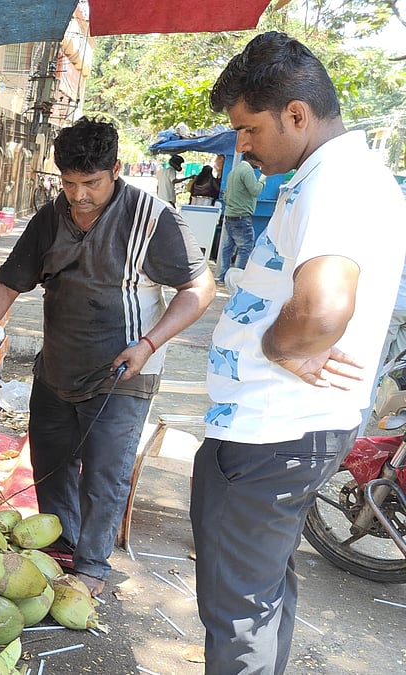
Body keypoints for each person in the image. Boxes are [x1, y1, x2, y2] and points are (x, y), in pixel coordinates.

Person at [194, 32, 406, 674]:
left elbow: (321, 308)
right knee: (256, 595)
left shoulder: (338, 184)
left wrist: (275, 345)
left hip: (274, 433)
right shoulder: (325, 177)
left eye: (249, 128)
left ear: (295, 113)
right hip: (277, 430)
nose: (242, 145)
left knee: (239, 612)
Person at [0, 117, 215, 597]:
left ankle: (92, 569)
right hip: (58, 367)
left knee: (104, 473)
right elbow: (6, 284)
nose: (79, 195)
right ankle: (60, 547)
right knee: (50, 463)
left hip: (124, 370)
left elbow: (199, 288)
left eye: (91, 183)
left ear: (116, 170)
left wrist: (149, 344)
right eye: (69, 183)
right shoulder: (50, 219)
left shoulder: (153, 219)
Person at [216, 155, 265, 283]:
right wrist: (263, 179)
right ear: (251, 159)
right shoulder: (247, 170)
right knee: (245, 248)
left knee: (227, 248)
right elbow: (255, 191)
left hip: (230, 215)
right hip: (241, 216)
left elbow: (226, 195)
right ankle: (236, 280)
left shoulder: (234, 171)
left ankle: (222, 277)